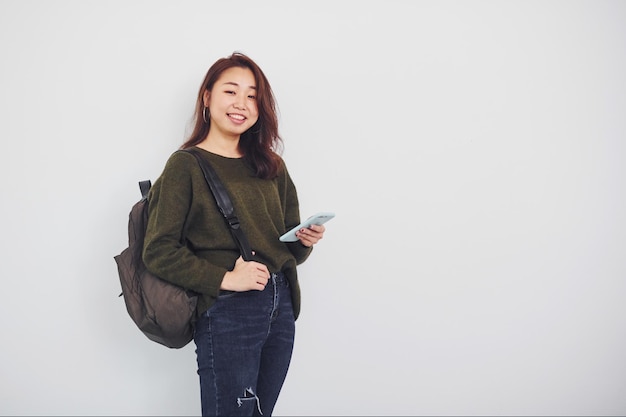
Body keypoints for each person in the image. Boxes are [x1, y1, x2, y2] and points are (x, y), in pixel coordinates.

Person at [142, 52, 325, 416]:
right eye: (231, 91)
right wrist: (226, 278)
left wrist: (303, 241)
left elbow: (284, 243)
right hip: (230, 309)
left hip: (280, 304)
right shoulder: (186, 165)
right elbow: (158, 249)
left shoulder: (271, 165)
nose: (242, 103)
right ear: (207, 97)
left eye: (253, 95)